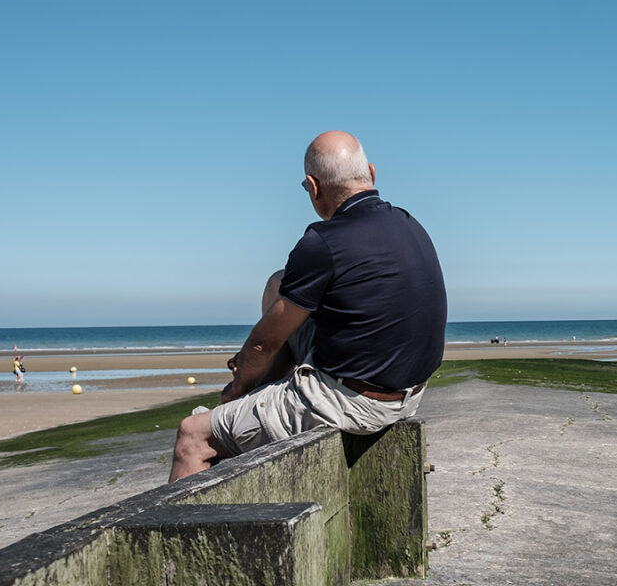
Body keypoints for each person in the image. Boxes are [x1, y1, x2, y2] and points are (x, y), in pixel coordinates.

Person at [169, 131, 447, 481]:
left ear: (314, 187)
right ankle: (267, 395)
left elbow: (262, 344)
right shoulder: (409, 224)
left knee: (192, 436)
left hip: (355, 402)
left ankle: (185, 521)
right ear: (371, 174)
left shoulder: (323, 241)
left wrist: (237, 388)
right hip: (408, 391)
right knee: (279, 284)